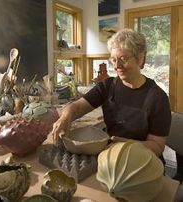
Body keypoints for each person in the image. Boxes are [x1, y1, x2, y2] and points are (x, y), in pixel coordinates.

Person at [52, 28, 171, 158]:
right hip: (112, 156)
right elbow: (77, 107)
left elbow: (157, 147)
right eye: (114, 60)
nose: (117, 66)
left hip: (144, 162)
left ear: (140, 59)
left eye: (123, 58)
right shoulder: (107, 86)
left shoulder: (157, 98)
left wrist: (128, 145)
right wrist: (65, 117)